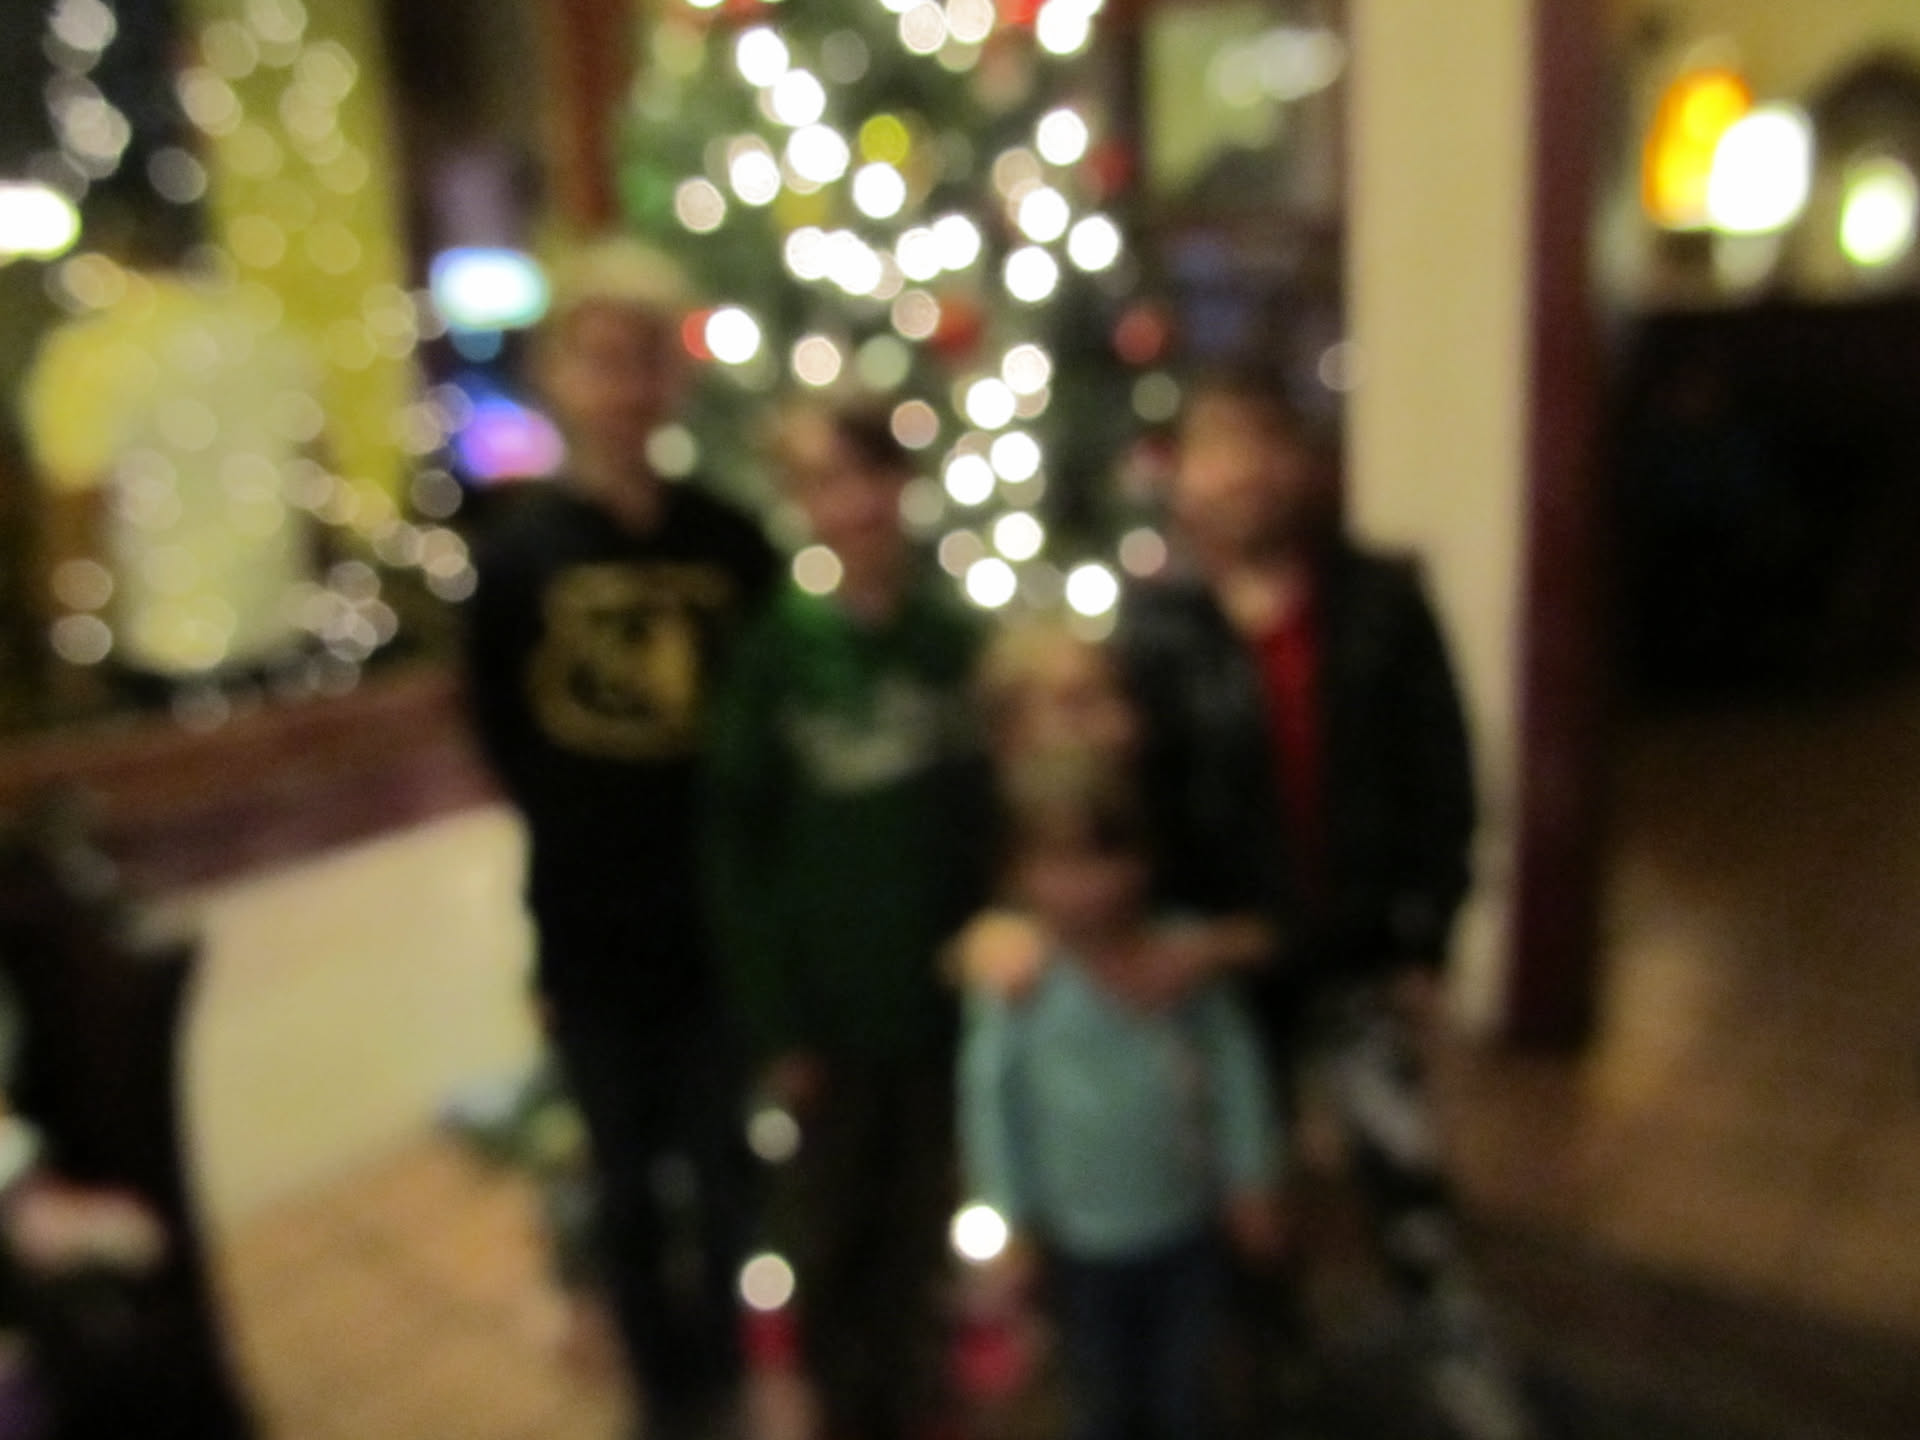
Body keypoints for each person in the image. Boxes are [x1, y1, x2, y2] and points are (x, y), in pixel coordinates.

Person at [1115, 368, 1529, 1440]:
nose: (1243, 472)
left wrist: (1431, 930)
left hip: (1357, 949)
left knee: (1403, 1171)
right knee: (1248, 1178)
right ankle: (1273, 1361)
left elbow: (1442, 770)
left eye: (1264, 443)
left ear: (1299, 464)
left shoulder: (1379, 603)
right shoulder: (1159, 633)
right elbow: (1140, 807)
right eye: (1218, 447)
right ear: (1183, 477)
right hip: (1230, 963)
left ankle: (1448, 1350)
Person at [463, 238, 779, 1440]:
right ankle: (661, 1391)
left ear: (676, 376)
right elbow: (503, 731)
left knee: (727, 1171)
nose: (625, 387)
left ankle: (726, 1373)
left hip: (720, 924)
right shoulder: (518, 562)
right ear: (561, 374)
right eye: (600, 360)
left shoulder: (731, 544)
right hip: (593, 933)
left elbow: (763, 720)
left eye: (647, 359)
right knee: (626, 1182)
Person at [704, 402, 992, 1440]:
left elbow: (988, 818)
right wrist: (778, 1021)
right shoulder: (777, 655)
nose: (858, 505)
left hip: (942, 1002)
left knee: (923, 1214)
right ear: (802, 503)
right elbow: (736, 846)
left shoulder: (952, 644)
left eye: (873, 477)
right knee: (831, 1225)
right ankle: (841, 1401)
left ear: (905, 485)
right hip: (830, 1018)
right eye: (828, 483)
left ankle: (914, 1388)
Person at [958, 727, 1280, 1440]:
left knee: (1185, 1397)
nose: (1086, 886)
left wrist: (1251, 1178)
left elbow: (1234, 1071)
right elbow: (990, 1101)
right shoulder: (1018, 977)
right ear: (1018, 869)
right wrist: (1007, 1214)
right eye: (1058, 862)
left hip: (1184, 1225)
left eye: (1103, 857)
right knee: (1101, 1402)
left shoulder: (1181, 959)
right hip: (1077, 1244)